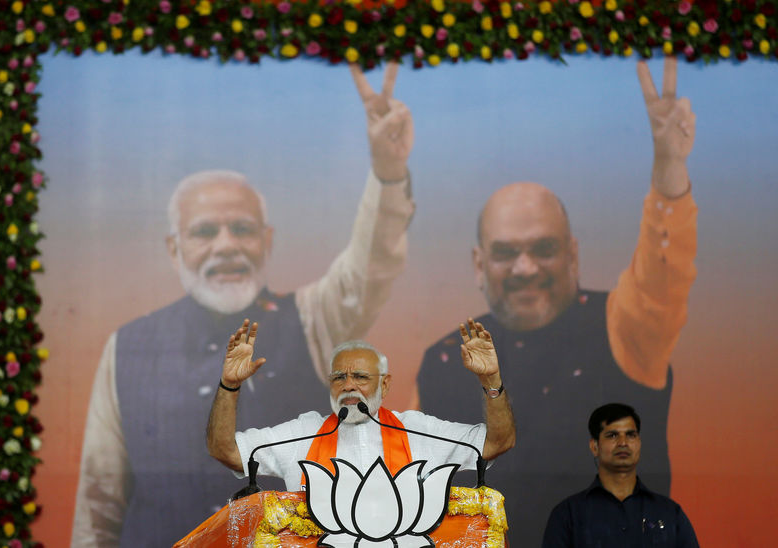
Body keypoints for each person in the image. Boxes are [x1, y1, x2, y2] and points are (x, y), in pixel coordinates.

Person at [71, 63, 416, 548]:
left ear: (267, 241)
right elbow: (97, 505)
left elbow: (372, 265)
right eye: (205, 232)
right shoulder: (127, 347)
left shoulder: (313, 317)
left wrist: (387, 172)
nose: (226, 246)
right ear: (174, 249)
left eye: (243, 229)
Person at [416, 57, 697, 546]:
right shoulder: (443, 359)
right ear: (479, 264)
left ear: (572, 254)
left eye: (544, 249)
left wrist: (668, 173)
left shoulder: (619, 327)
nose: (526, 268)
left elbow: (660, 281)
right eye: (506, 253)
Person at [207, 318, 516, 491]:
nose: (349, 384)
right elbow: (228, 451)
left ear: (385, 383)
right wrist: (230, 385)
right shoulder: (304, 433)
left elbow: (496, 442)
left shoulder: (418, 430)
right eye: (339, 377)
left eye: (360, 376)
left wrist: (490, 379)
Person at [541, 403, 699, 547]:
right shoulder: (568, 515)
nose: (623, 443)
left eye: (631, 435)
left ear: (639, 443)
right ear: (594, 446)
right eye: (612, 435)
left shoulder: (669, 513)